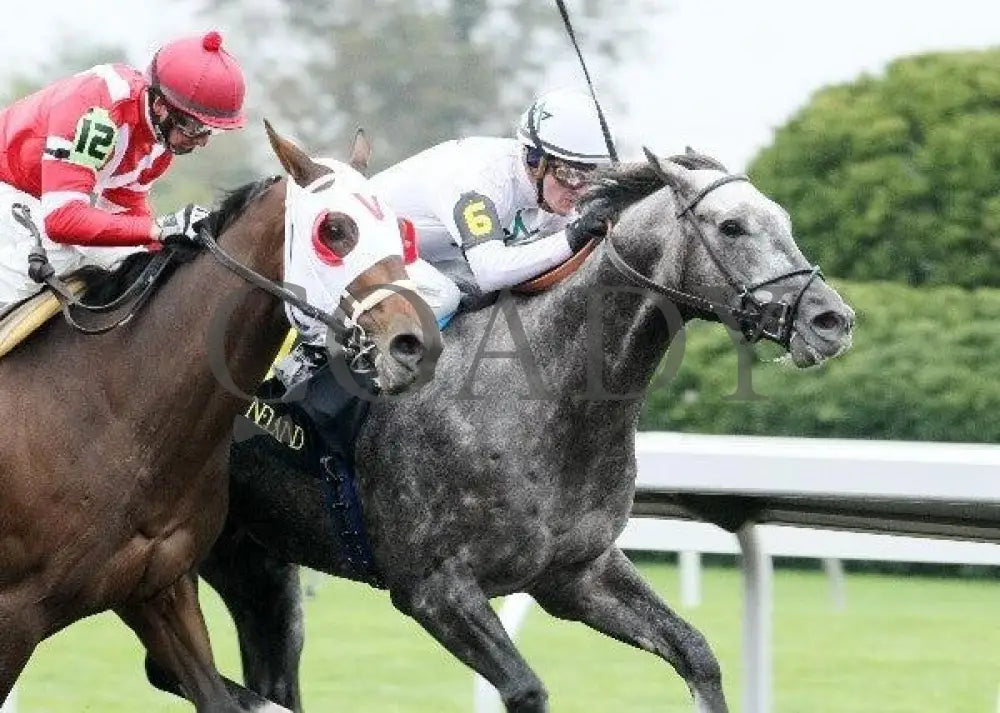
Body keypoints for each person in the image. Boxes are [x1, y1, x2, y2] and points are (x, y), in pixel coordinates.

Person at [0, 30, 246, 311]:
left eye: (212, 131)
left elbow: (124, 206)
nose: (202, 141)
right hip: (8, 184)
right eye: (196, 127)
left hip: (40, 198)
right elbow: (62, 221)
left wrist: (165, 246)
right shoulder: (99, 120)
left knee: (139, 264)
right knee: (65, 250)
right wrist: (160, 229)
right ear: (160, 106)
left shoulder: (160, 142)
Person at [369, 87, 613, 326]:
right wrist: (574, 235)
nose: (580, 190)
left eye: (591, 177)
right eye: (571, 175)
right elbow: (490, 271)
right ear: (535, 161)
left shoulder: (549, 196)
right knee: (445, 295)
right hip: (361, 249)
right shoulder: (479, 180)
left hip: (420, 256)